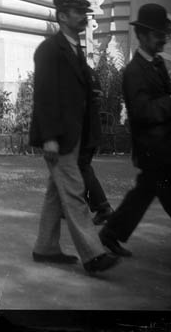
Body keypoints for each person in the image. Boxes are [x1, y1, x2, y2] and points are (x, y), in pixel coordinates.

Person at [29, 0, 120, 274]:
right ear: (62, 17)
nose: (83, 17)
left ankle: (45, 248)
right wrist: (50, 137)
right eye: (77, 12)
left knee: (57, 192)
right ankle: (93, 255)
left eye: (83, 12)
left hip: (74, 134)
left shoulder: (74, 49)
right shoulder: (49, 50)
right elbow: (44, 96)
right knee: (74, 191)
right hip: (60, 135)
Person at [99, 4, 171, 257]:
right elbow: (143, 111)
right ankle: (110, 233)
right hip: (154, 149)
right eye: (158, 34)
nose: (163, 39)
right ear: (143, 36)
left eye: (164, 33)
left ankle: (110, 233)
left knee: (143, 194)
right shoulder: (134, 72)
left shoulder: (156, 63)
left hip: (164, 147)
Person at [78, 68, 114, 225]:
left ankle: (102, 207)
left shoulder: (76, 72)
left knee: (81, 167)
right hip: (92, 128)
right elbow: (98, 97)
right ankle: (77, 205)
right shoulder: (91, 72)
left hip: (83, 130)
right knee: (80, 168)